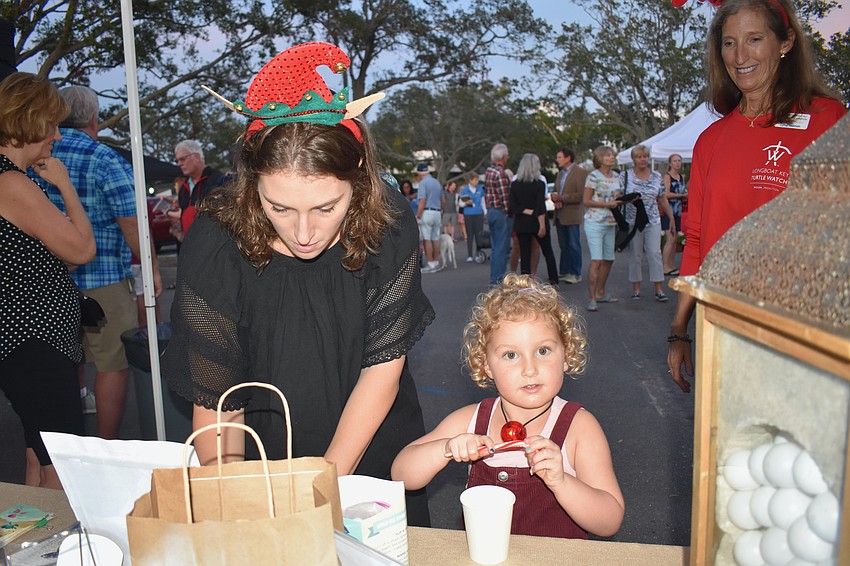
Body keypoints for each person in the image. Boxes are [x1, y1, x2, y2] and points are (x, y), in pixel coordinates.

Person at [162, 42, 435, 525]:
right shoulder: (215, 240)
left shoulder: (389, 222)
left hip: (371, 454)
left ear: (361, 185)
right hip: (264, 461)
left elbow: (382, 370)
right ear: (252, 186)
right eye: (280, 208)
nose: (303, 233)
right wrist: (231, 497)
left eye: (327, 208)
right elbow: (217, 396)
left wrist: (324, 486)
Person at [667, 0, 846, 393]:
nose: (740, 56)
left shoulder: (827, 120)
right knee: (728, 450)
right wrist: (680, 330)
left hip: (799, 331)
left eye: (754, 39)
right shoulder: (710, 140)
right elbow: (696, 240)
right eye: (729, 43)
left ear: (785, 43)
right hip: (724, 327)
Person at [391, 274, 624, 538]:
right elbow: (401, 474)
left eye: (543, 351)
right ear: (486, 365)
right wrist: (445, 449)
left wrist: (562, 482)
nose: (529, 369)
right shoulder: (472, 420)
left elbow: (610, 520)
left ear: (566, 354)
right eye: (510, 355)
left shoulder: (579, 427)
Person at [44, 85, 163, 439]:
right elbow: (133, 225)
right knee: (113, 363)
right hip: (105, 279)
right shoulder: (105, 159)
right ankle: (105, 443)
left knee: (66, 359)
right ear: (94, 118)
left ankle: (66, 438)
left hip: (50, 279)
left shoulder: (35, 156)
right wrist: (151, 271)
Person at [0, 72, 96, 488]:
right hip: (34, 341)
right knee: (64, 459)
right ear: (30, 121)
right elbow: (81, 250)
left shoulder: (11, 180)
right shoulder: (12, 183)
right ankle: (65, 548)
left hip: (27, 341)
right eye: (52, 125)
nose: (57, 136)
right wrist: (65, 185)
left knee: (38, 454)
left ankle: (32, 548)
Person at [623, 145, 676, 302]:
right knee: (635, 255)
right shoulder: (625, 175)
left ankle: (659, 289)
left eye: (645, 156)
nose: (643, 159)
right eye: (639, 157)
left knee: (654, 253)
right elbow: (618, 195)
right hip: (633, 221)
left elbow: (662, 198)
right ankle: (636, 289)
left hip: (652, 220)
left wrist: (671, 217)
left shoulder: (656, 176)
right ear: (634, 159)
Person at [582, 146, 623, 312]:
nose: (611, 157)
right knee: (596, 260)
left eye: (612, 155)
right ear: (600, 158)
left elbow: (617, 196)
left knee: (609, 259)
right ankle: (592, 299)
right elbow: (586, 200)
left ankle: (601, 292)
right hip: (595, 223)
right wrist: (606, 204)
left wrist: (624, 199)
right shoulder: (593, 176)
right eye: (608, 155)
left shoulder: (616, 176)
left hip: (611, 223)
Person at [508, 153, 559, 286]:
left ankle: (525, 284)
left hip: (522, 223)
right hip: (537, 221)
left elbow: (512, 206)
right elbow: (540, 206)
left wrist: (525, 210)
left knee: (524, 254)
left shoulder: (515, 185)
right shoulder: (539, 184)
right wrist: (542, 225)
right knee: (547, 251)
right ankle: (553, 281)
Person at [550, 147, 588, 284]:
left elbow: (581, 195)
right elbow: (555, 191)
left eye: (559, 157)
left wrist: (563, 198)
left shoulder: (580, 173)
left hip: (572, 214)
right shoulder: (561, 174)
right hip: (560, 214)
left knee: (573, 244)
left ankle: (575, 273)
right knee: (563, 245)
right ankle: (565, 271)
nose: (557, 159)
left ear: (568, 158)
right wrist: (555, 198)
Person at [173, 139, 226, 236]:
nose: (179, 164)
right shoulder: (183, 189)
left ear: (197, 157)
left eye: (183, 159)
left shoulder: (218, 181)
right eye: (177, 160)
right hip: (189, 247)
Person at [484, 143, 512, 285]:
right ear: (503, 157)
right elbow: (504, 196)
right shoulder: (500, 173)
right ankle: (499, 279)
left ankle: (494, 277)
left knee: (495, 247)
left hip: (490, 210)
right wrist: (509, 212)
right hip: (500, 212)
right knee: (502, 247)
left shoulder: (489, 171)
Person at [415, 163, 444, 273]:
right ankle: (436, 262)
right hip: (437, 212)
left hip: (427, 212)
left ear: (419, 173)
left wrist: (418, 215)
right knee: (435, 238)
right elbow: (443, 200)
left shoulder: (423, 183)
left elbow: (422, 201)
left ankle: (430, 263)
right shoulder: (436, 182)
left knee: (427, 239)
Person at [661, 153, 687, 276]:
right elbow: (666, 194)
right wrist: (682, 195)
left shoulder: (680, 177)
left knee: (675, 238)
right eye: (675, 161)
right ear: (670, 163)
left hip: (678, 211)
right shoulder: (668, 177)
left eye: (679, 160)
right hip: (669, 211)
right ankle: (665, 266)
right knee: (670, 238)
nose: (677, 163)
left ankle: (671, 265)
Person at [459, 171, 486, 262]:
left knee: (479, 235)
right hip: (468, 213)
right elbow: (460, 203)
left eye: (477, 180)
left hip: (478, 213)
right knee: (470, 234)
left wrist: (485, 211)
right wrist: (466, 202)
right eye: (475, 180)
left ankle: (479, 253)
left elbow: (483, 201)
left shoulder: (480, 189)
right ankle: (469, 254)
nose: (476, 182)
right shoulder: (465, 189)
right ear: (470, 180)